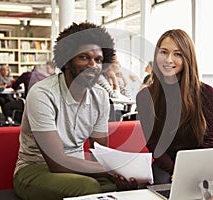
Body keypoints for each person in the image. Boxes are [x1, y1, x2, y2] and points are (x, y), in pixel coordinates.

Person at [13, 22, 138, 200]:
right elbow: (56, 162)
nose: (93, 65)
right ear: (67, 60)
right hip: (35, 169)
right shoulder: (42, 94)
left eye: (98, 60)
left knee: (124, 185)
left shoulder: (101, 96)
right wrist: (112, 169)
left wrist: (120, 174)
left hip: (79, 168)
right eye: (84, 57)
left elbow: (99, 153)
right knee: (89, 187)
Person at [136, 29, 213, 191]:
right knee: (166, 187)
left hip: (199, 163)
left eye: (178, 54)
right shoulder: (145, 96)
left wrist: (191, 171)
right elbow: (154, 145)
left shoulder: (206, 93)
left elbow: (208, 142)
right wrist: (177, 171)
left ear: (187, 58)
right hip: (166, 165)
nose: (168, 59)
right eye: (163, 52)